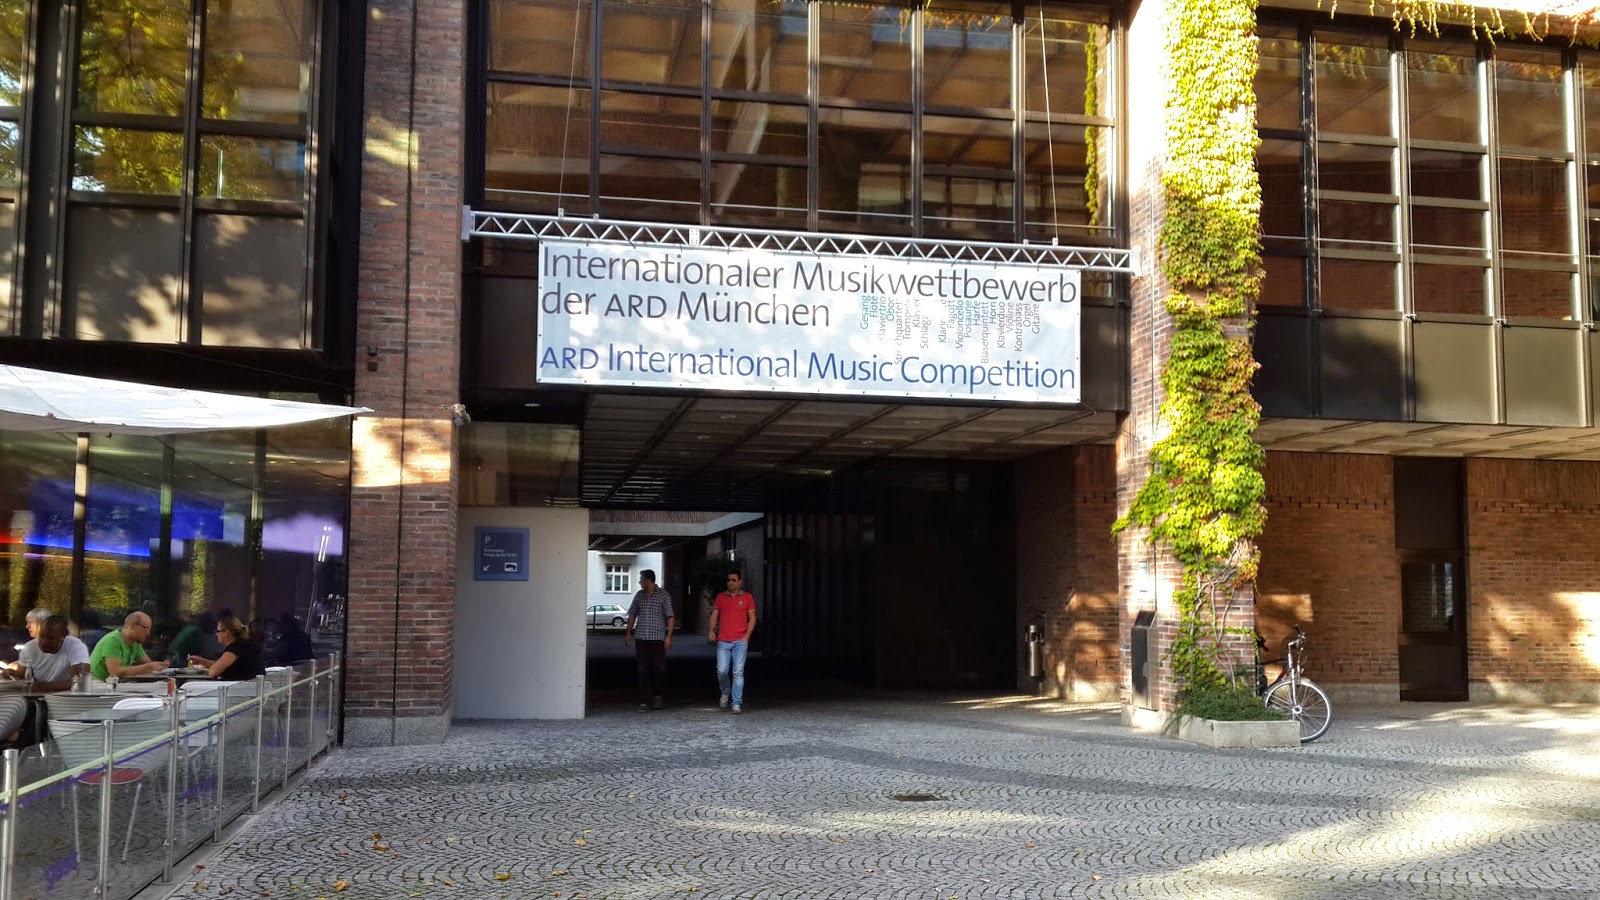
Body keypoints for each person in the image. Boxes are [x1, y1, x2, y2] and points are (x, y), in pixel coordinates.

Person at [624, 569, 674, 711]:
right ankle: (645, 700)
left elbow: (670, 616)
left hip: (657, 639)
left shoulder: (663, 595)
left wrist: (669, 637)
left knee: (659, 669)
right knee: (642, 669)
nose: (639, 582)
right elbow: (632, 614)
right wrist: (628, 633)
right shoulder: (639, 596)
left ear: (648, 580)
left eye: (641, 579)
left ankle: (658, 695)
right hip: (641, 638)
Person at [708, 571, 757, 714]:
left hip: (740, 641)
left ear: (740, 582)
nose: (730, 582)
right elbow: (715, 615)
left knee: (738, 672)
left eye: (734, 580)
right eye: (728, 580)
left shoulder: (747, 597)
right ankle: (725, 691)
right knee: (722, 670)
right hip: (723, 640)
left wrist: (747, 636)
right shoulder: (721, 597)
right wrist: (711, 630)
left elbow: (752, 618)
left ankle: (736, 703)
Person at [11, 616, 90, 691]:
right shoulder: (30, 647)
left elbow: (80, 680)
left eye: (50, 638)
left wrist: (51, 686)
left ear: (63, 636)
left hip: (67, 697)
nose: (44, 642)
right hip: (37, 695)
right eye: (41, 636)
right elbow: (20, 677)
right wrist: (10, 674)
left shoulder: (76, 647)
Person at [88, 611, 167, 681]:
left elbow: (148, 664)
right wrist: (148, 667)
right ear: (132, 626)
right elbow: (115, 672)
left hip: (112, 684)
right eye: (146, 629)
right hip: (95, 684)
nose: (148, 634)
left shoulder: (135, 643)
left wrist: (159, 666)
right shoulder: (112, 640)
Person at [188, 616, 266, 681]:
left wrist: (210, 668)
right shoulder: (244, 646)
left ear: (226, 633)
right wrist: (202, 661)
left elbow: (213, 672)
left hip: (237, 691)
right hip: (249, 689)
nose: (216, 634)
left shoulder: (235, 649)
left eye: (218, 631)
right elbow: (221, 665)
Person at [2, 607, 60, 677]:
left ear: (42, 623)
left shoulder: (31, 647)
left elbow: (22, 674)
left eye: (30, 622)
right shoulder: (30, 647)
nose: (27, 626)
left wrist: (14, 670)